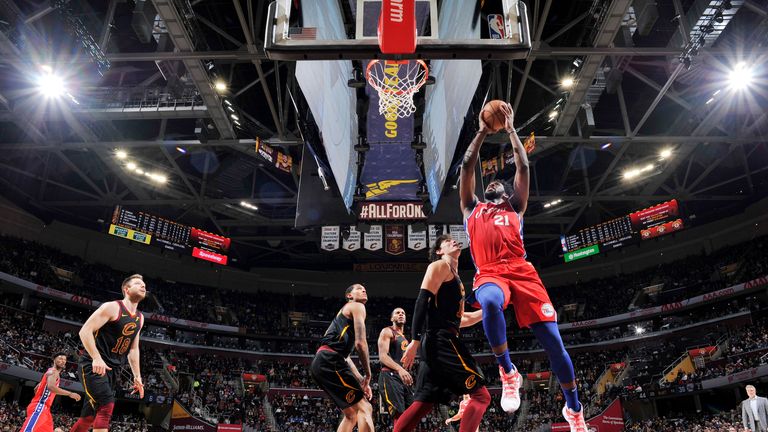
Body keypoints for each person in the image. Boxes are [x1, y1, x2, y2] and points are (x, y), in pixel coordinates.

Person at [459, 102, 587, 430]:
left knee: (554, 344)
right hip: (490, 272)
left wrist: (512, 129)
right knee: (488, 302)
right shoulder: (472, 208)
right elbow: (466, 167)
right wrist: (483, 132)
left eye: (496, 185)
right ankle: (508, 371)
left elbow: (524, 169)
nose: (491, 186)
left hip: (521, 270)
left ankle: (574, 410)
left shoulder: (515, 206)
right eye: (488, 185)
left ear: (506, 192)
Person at [395, 235, 488, 432]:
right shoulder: (440, 266)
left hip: (440, 339)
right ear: (439, 251)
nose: (453, 241)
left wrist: (490, 311)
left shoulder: (456, 278)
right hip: (441, 340)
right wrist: (414, 341)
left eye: (454, 239)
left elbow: (461, 319)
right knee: (481, 396)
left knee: (424, 404)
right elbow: (422, 301)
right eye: (447, 241)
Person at [70, 274, 146, 432]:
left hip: (113, 370)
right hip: (93, 365)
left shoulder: (140, 317)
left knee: (88, 417)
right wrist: (96, 358)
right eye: (138, 283)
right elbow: (85, 331)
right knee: (106, 405)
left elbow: (133, 349)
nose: (143, 286)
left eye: (144, 284)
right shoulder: (112, 307)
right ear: (126, 289)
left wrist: (137, 376)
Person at [310, 284, 374, 432]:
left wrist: (361, 379)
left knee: (351, 414)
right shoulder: (357, 306)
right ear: (349, 296)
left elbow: (346, 357)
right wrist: (369, 375)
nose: (364, 289)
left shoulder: (340, 320)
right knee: (365, 407)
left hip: (322, 362)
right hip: (329, 361)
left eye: (365, 288)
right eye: (359, 288)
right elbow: (360, 343)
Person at [19, 352, 81, 432]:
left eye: (65, 359)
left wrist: (41, 396)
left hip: (45, 409)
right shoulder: (53, 372)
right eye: (60, 358)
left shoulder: (50, 372)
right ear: (54, 360)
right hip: (40, 407)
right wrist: (70, 393)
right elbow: (51, 387)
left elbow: (36, 388)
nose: (63, 361)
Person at [377, 307, 414, 423]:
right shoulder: (387, 331)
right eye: (398, 313)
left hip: (402, 378)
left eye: (403, 313)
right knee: (399, 416)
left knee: (411, 417)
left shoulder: (405, 338)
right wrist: (400, 369)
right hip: (389, 376)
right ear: (392, 318)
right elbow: (383, 356)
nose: (401, 314)